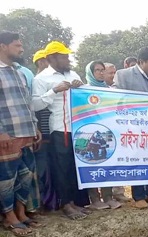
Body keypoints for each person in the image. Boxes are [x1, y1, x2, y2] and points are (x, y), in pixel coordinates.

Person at [33, 41, 90, 219]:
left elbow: (86, 97)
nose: (67, 59)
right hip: (59, 128)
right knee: (61, 167)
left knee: (75, 165)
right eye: (63, 56)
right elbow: (35, 104)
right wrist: (54, 91)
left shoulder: (72, 73)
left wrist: (81, 87)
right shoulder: (41, 79)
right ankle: (66, 204)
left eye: (67, 56)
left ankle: (77, 202)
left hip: (78, 127)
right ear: (52, 58)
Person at [114, 47, 148, 208]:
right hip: (134, 126)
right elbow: (119, 100)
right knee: (138, 159)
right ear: (140, 62)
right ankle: (138, 196)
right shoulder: (123, 75)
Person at [0, 31, 42, 236]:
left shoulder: (18, 71)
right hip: (7, 135)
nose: (21, 49)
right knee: (6, 179)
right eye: (16, 45)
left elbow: (27, 102)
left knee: (26, 175)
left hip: (25, 132)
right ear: (3, 46)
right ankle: (9, 217)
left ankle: (20, 211)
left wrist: (35, 126)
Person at [84, 61, 122, 210]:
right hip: (89, 133)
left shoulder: (110, 90)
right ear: (90, 73)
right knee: (91, 163)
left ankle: (108, 197)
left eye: (102, 70)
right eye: (97, 70)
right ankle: (95, 199)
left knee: (107, 164)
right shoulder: (84, 90)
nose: (100, 72)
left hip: (107, 133)